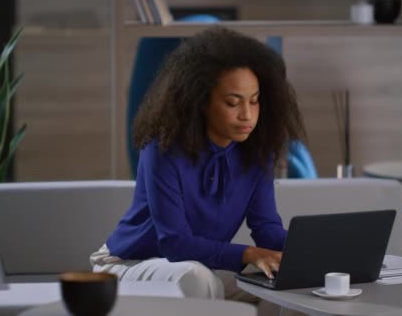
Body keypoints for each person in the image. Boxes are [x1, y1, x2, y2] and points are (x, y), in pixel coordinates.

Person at [90, 26, 307, 312]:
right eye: (233, 102)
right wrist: (250, 254)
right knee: (197, 277)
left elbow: (267, 230)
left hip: (199, 270)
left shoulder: (257, 153)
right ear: (201, 100)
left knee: (284, 287)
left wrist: (312, 252)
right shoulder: (162, 148)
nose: (247, 115)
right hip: (129, 265)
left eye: (254, 101)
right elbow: (175, 243)